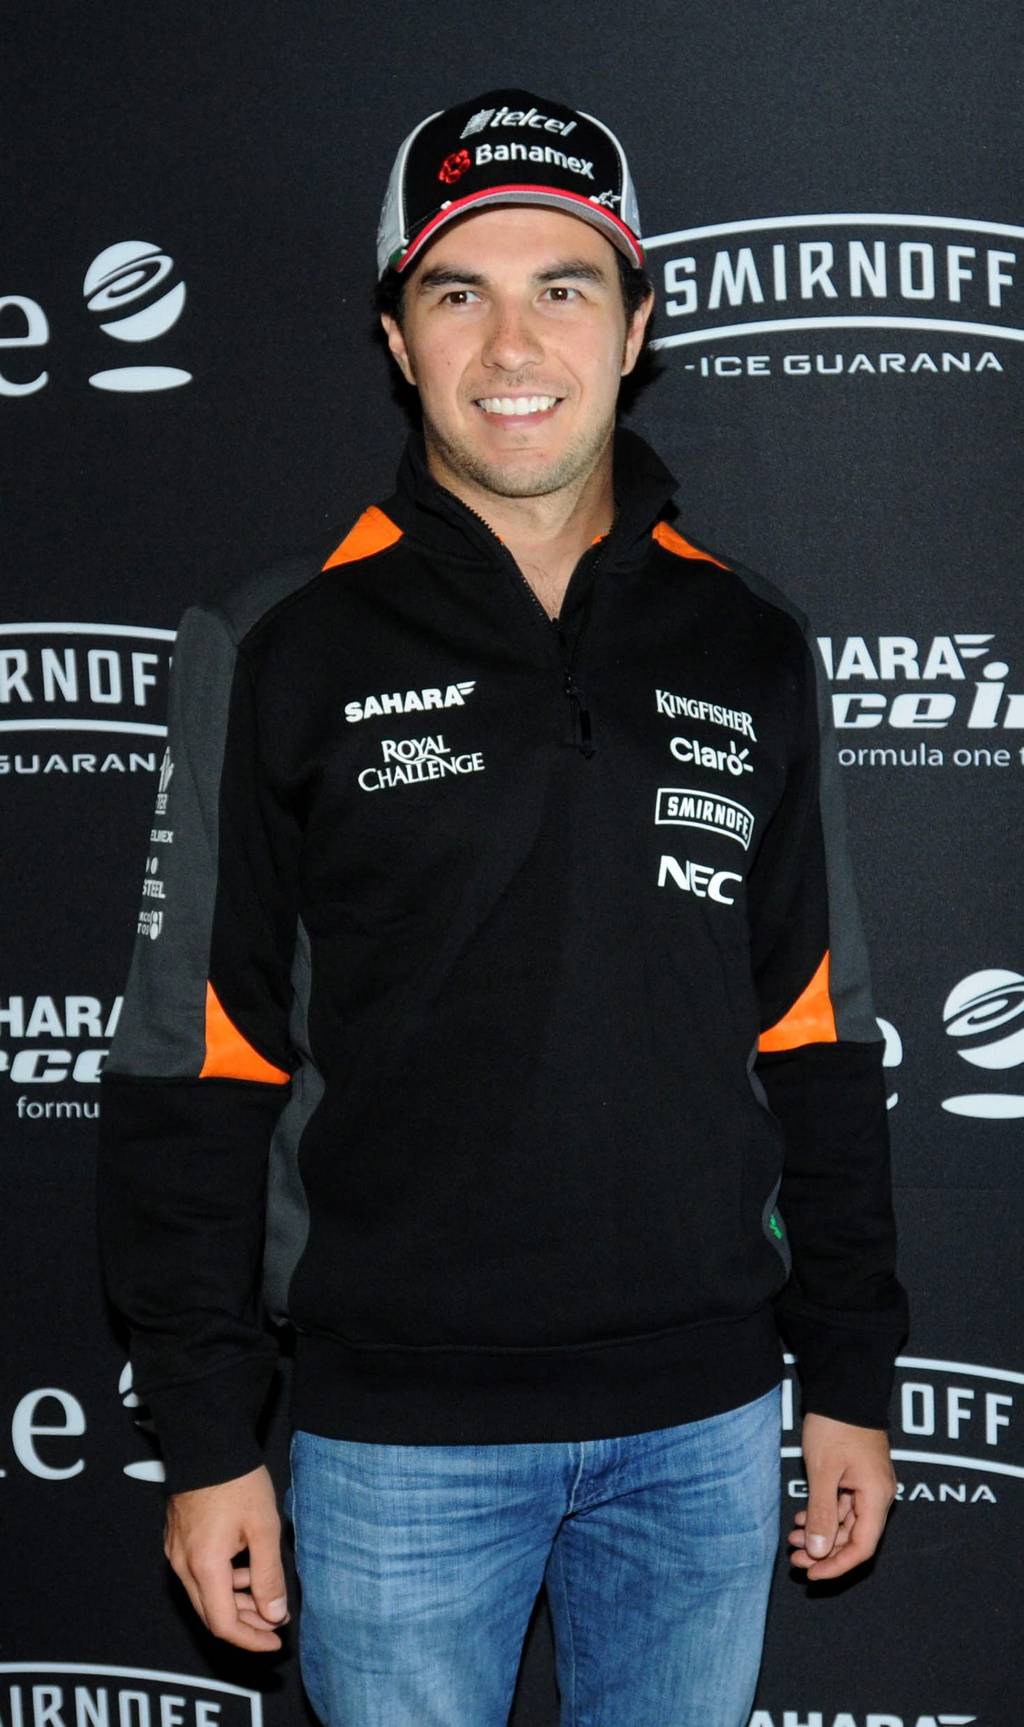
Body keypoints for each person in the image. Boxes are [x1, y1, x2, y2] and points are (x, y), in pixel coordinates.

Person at [97, 87, 910, 1727]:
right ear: (398, 337)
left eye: (565, 288)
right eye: (459, 291)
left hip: (703, 1431)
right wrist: (203, 1438)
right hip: (396, 1443)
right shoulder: (278, 642)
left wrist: (850, 1373)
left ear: (637, 327)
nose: (514, 344)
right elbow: (197, 1066)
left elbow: (818, 1037)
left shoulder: (753, 641)